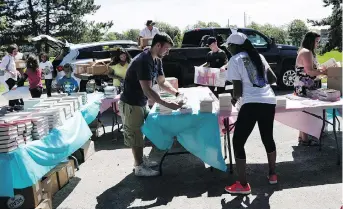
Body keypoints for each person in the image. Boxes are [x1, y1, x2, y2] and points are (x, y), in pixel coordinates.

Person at [119, 33, 183, 177]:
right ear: (158, 45)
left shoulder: (157, 60)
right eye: (166, 48)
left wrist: (177, 94)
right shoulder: (143, 60)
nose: (168, 52)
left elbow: (162, 81)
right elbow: (147, 90)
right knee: (136, 136)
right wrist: (167, 103)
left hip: (141, 102)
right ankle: (139, 167)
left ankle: (141, 160)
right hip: (131, 103)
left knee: (143, 131)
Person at [224, 32, 278, 195]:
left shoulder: (235, 60)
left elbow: (238, 90)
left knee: (238, 141)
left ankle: (243, 184)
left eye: (229, 47)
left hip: (250, 103)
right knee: (267, 137)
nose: (228, 50)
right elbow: (273, 78)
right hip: (269, 100)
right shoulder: (259, 56)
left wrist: (233, 98)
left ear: (234, 46)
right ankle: (273, 174)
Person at [294, 32, 327, 146]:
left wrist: (320, 68)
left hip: (305, 85)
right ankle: (305, 139)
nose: (318, 44)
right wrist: (323, 71)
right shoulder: (307, 52)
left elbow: (311, 68)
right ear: (311, 41)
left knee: (305, 110)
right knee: (306, 111)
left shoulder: (306, 51)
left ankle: (302, 136)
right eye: (317, 41)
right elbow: (309, 71)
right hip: (305, 87)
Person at [0, 44, 21, 110]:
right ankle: (13, 106)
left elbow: (12, 67)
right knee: (13, 91)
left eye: (16, 51)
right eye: (14, 51)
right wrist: (10, 72)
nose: (16, 52)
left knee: (13, 91)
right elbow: (2, 67)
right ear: (10, 51)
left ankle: (12, 106)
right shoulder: (6, 58)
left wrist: (16, 71)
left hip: (13, 77)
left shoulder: (12, 57)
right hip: (9, 78)